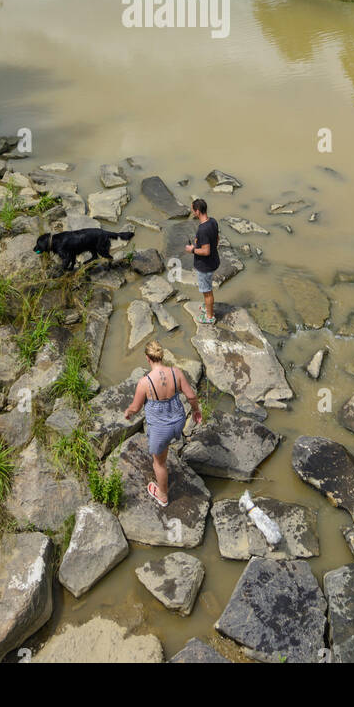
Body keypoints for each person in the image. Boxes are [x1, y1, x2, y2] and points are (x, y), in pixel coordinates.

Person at [124, 339, 202, 508]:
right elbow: (191, 396)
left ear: (147, 358)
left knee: (159, 463)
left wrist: (128, 413)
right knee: (165, 450)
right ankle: (169, 449)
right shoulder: (176, 372)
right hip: (178, 422)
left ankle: (163, 495)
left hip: (160, 429)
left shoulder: (145, 382)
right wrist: (196, 411)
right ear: (162, 355)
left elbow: (136, 407)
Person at [185, 196, 219, 325]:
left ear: (198, 211)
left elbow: (206, 251)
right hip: (214, 261)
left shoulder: (202, 229)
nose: (193, 213)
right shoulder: (213, 221)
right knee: (207, 290)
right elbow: (217, 239)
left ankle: (210, 317)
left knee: (207, 292)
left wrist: (192, 249)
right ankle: (207, 307)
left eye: (193, 210)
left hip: (205, 266)